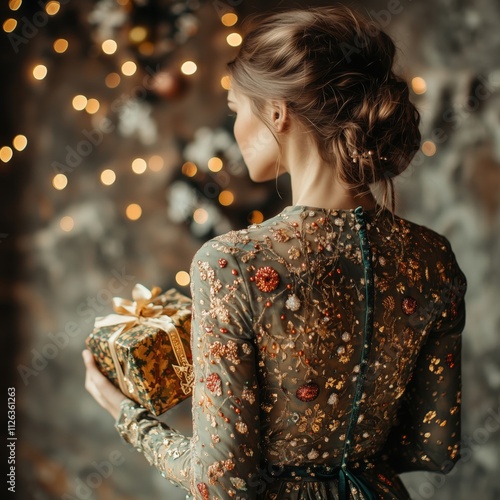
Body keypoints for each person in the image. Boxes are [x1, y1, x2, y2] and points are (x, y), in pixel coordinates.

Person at [82, 5, 467, 499]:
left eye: (236, 107)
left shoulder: (232, 264)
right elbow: (436, 447)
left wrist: (128, 416)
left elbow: (221, 484)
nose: (236, 124)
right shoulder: (434, 259)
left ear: (278, 112)